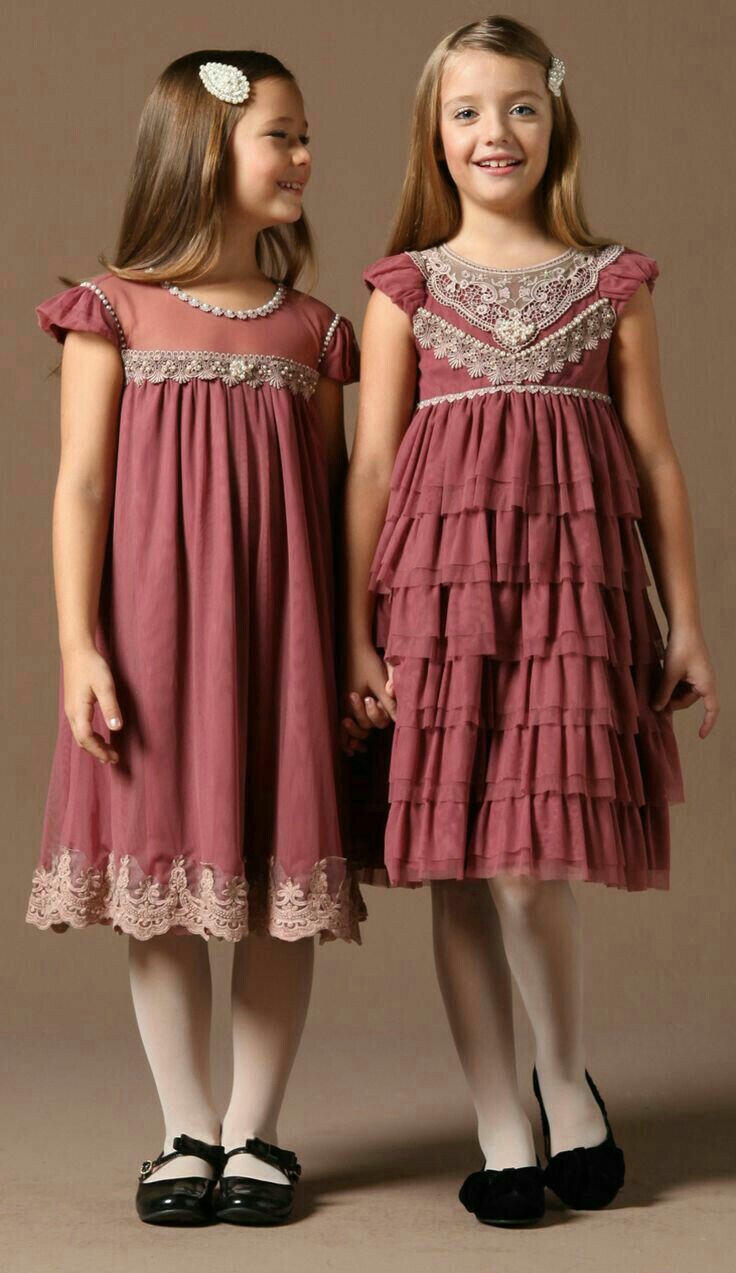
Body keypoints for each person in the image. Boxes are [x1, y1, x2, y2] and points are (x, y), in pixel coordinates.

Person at [341, 15, 718, 1227]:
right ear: (433, 133)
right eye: (465, 111)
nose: (492, 132)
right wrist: (354, 634)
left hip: (568, 596)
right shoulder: (403, 288)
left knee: (525, 863)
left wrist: (685, 621)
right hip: (436, 599)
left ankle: (563, 1077)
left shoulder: (611, 284)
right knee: (455, 862)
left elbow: (655, 459)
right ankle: (499, 1119)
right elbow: (369, 470)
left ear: (554, 121)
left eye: (517, 106)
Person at [27, 49, 365, 1227]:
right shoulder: (112, 309)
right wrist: (80, 646)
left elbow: (335, 504)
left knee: (277, 877)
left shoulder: (314, 333)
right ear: (204, 148)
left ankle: (255, 1129)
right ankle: (183, 1128)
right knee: (160, 881)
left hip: (281, 640)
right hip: (151, 642)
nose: (304, 156)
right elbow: (79, 487)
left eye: (306, 134)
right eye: (282, 134)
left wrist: (352, 649)